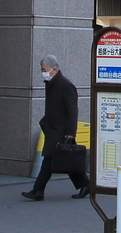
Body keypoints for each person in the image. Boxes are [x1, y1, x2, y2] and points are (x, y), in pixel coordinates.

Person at [24, 55, 90, 199]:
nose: (43, 73)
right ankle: (85, 184)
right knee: (65, 159)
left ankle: (38, 191)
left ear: (53, 69)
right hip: (55, 129)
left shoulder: (65, 85)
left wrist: (71, 132)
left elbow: (72, 110)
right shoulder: (53, 84)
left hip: (61, 130)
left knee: (50, 160)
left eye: (44, 70)